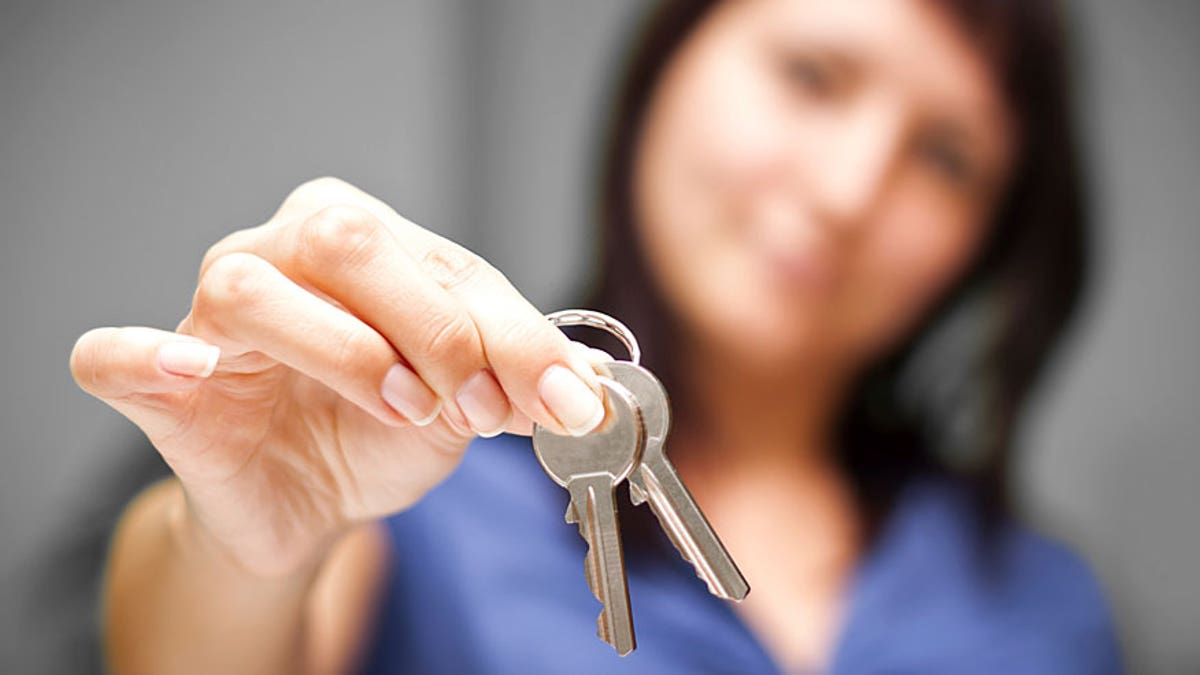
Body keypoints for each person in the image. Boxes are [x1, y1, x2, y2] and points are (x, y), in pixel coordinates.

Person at [69, 0, 1122, 672]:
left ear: (986, 241)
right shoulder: (399, 465)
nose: (850, 192)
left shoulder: (1049, 606)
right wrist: (246, 551)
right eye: (812, 75)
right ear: (669, 62)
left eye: (945, 157)